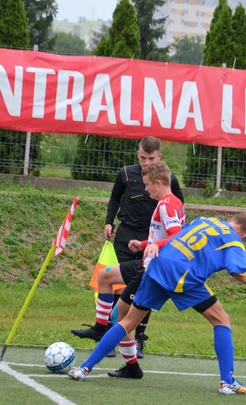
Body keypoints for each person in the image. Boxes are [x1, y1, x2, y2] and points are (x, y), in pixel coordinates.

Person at [69, 214, 246, 395]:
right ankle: (227, 382)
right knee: (222, 320)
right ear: (245, 235)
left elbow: (179, 235)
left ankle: (84, 368)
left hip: (158, 264)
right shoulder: (235, 241)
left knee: (128, 321)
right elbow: (236, 269)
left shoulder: (206, 220)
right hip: (182, 275)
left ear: (230, 220)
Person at [71, 136, 184, 358]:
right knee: (117, 285)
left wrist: (155, 243)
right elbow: (115, 197)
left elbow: (176, 218)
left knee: (141, 292)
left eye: (150, 158)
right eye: (142, 158)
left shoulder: (167, 183)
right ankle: (105, 334)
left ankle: (136, 340)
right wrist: (109, 221)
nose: (146, 163)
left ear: (159, 158)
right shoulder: (125, 173)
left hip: (153, 243)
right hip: (129, 237)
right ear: (137, 155)